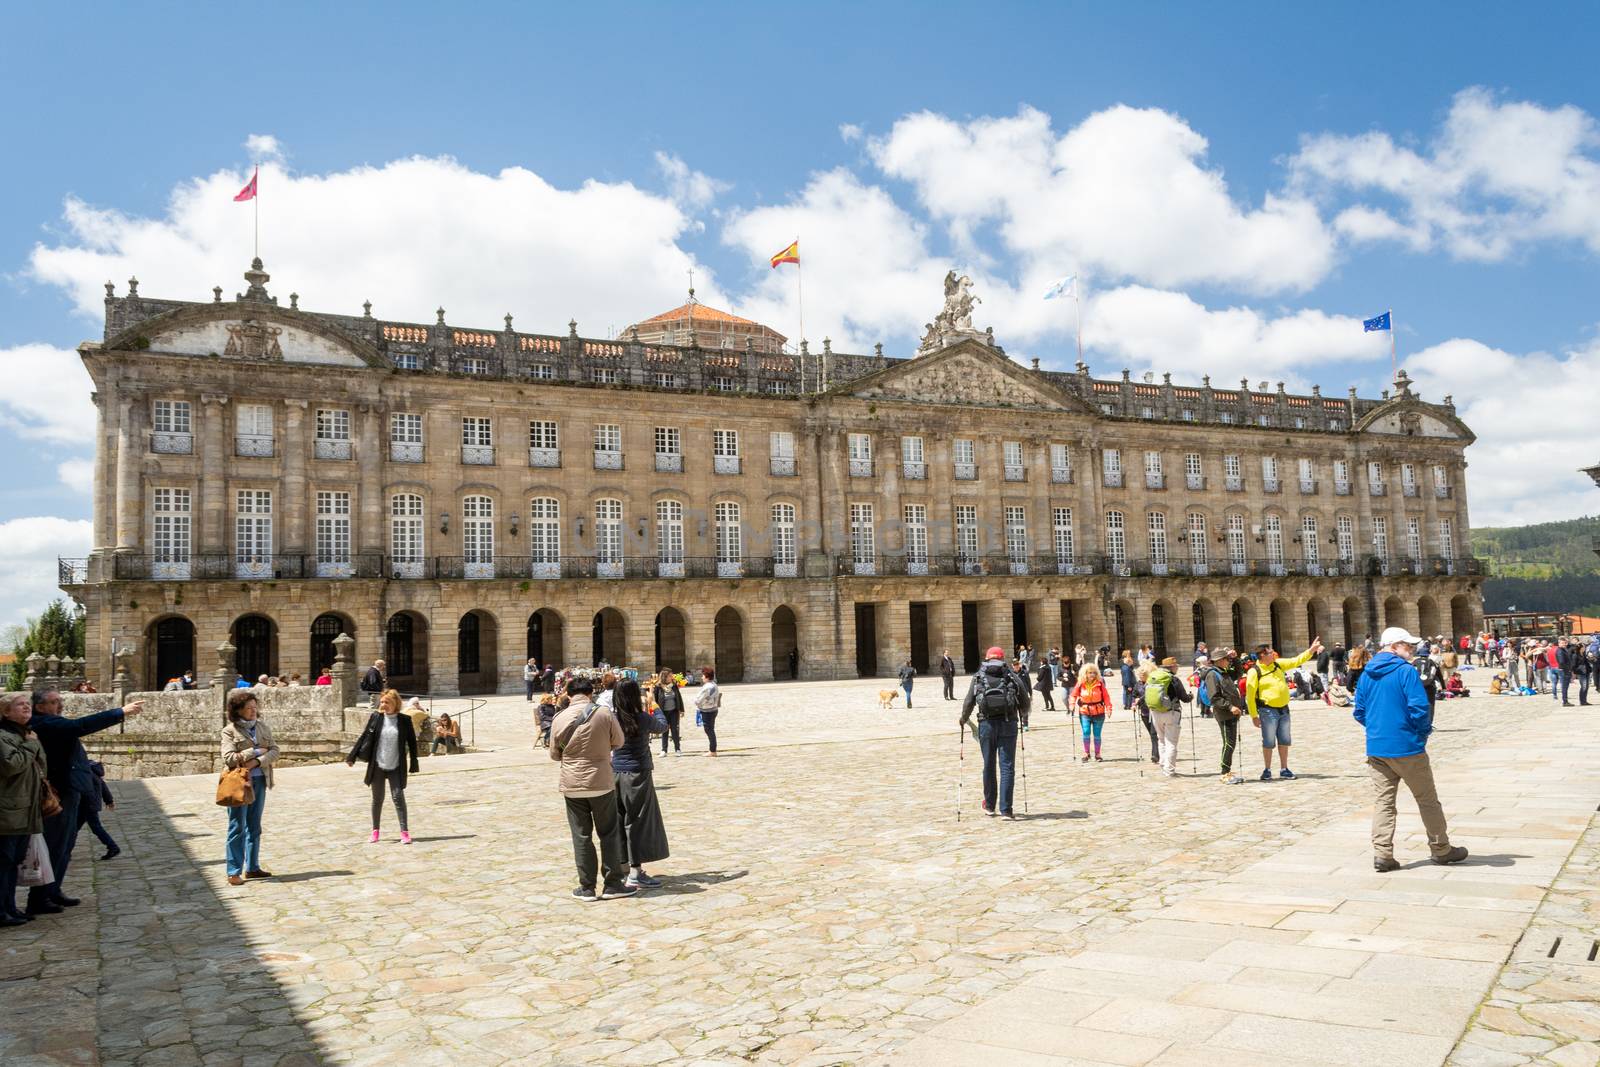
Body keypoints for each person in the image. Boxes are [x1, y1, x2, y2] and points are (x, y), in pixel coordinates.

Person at [1354, 626, 1468, 872]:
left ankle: (1382, 854)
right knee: (1427, 800)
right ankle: (1441, 849)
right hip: (1407, 747)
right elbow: (1419, 707)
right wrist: (1420, 733)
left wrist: (1377, 729)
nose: (1412, 649)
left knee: (1384, 803)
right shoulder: (1406, 671)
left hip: (1377, 747)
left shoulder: (1366, 674)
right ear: (1393, 646)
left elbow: (1359, 711)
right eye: (1407, 645)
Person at [26, 689, 142, 914]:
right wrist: (121, 712)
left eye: (60, 701)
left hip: (73, 790)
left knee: (65, 845)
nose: (59, 705)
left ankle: (53, 890)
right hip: (60, 791)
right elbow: (79, 726)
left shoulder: (52, 721)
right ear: (39, 706)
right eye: (54, 702)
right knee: (54, 845)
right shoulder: (43, 723)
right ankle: (40, 898)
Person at [548, 675, 635, 900]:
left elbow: (554, 754)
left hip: (572, 784)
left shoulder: (559, 717)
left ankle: (587, 887)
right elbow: (619, 741)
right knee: (608, 833)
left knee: (581, 836)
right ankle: (613, 883)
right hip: (600, 781)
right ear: (590, 693)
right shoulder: (604, 713)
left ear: (568, 694)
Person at [610, 680, 669, 890]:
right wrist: (654, 704)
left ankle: (622, 867)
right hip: (637, 774)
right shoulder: (642, 718)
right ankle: (635, 873)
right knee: (636, 822)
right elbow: (662, 726)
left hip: (614, 772)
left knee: (619, 819)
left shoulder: (612, 718)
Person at [959, 646, 1029, 818]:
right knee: (1007, 767)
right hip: (1008, 723)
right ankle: (1006, 809)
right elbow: (1025, 700)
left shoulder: (978, 676)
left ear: (987, 658)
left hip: (986, 724)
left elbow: (969, 701)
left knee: (988, 765)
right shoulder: (1010, 675)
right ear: (1002, 658)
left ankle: (990, 806)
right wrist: (1021, 714)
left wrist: (963, 719)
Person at [219, 689, 277, 887]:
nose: (253, 711)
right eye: (248, 708)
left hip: (260, 780)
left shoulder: (262, 727)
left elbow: (275, 750)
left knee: (254, 826)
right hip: (239, 784)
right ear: (238, 710)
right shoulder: (229, 731)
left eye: (255, 707)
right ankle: (233, 871)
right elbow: (229, 758)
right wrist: (254, 751)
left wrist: (257, 762)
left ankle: (252, 867)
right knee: (237, 826)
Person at [1244, 637, 1323, 781]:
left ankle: (1284, 768)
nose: (1273, 654)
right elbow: (1249, 697)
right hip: (1267, 710)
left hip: (1284, 709)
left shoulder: (1278, 664)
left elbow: (1296, 660)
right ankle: (1267, 769)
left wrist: (1311, 650)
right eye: (1270, 652)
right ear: (1262, 655)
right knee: (1268, 741)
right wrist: (1254, 716)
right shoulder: (1254, 672)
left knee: (1284, 740)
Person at [0, 693, 48, 926]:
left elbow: (40, 766)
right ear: (6, 712)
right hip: (8, 811)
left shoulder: (25, 734)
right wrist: (31, 744)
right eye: (20, 705)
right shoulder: (3, 736)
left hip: (24, 809)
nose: (27, 707)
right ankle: (1, 911)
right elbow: (12, 765)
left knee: (14, 861)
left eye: (28, 704)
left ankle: (10, 907)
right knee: (4, 861)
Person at [348, 689, 420, 844]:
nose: (383, 705)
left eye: (387, 702)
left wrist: (414, 763)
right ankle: (375, 831)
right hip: (378, 765)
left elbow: (412, 744)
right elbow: (364, 736)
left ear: (396, 703)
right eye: (382, 702)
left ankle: (404, 832)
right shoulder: (376, 718)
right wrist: (352, 756)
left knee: (398, 797)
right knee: (377, 799)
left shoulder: (404, 720)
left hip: (396, 765)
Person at [1199, 648, 1244, 784]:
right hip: (1224, 713)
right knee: (1228, 744)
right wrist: (1230, 706)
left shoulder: (1223, 672)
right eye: (1227, 659)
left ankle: (1228, 771)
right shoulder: (1212, 675)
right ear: (1219, 661)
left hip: (1232, 713)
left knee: (1231, 743)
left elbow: (1238, 672)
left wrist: (1236, 659)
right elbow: (1214, 697)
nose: (1228, 661)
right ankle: (1224, 773)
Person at [1144, 657, 1191, 777]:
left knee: (1161, 740)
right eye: (1176, 666)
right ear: (1171, 667)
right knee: (1171, 742)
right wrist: (1191, 696)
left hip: (1155, 712)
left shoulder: (1154, 678)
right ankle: (1169, 770)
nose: (1177, 668)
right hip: (1171, 713)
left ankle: (1163, 764)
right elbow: (1184, 698)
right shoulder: (1174, 679)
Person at [1069, 663, 1110, 762]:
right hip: (1085, 712)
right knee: (1086, 732)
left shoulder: (1100, 684)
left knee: (1097, 734)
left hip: (1099, 713)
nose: (1092, 675)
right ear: (1085, 673)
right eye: (1090, 673)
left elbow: (1106, 697)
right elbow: (1073, 695)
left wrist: (1109, 708)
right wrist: (1072, 705)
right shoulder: (1080, 684)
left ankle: (1097, 754)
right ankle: (1086, 753)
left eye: (1094, 673)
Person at [79, 760, 119, 860]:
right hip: (88, 804)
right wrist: (109, 800)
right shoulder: (91, 769)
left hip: (87, 804)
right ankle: (65, 851)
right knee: (73, 828)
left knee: (96, 827)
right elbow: (103, 785)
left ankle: (113, 847)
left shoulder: (85, 771)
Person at [651, 670, 684, 755]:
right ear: (665, 677)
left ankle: (677, 749)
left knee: (674, 731)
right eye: (670, 676)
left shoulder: (674, 686)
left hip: (673, 711)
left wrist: (681, 710)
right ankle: (664, 750)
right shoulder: (658, 687)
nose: (671, 677)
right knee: (664, 730)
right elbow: (655, 700)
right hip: (663, 712)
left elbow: (679, 698)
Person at [693, 667, 721, 755]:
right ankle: (712, 750)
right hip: (713, 709)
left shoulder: (707, 687)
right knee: (710, 729)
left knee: (709, 730)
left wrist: (696, 702)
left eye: (703, 675)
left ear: (707, 676)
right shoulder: (714, 684)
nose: (702, 677)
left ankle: (712, 751)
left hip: (707, 711)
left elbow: (699, 700)